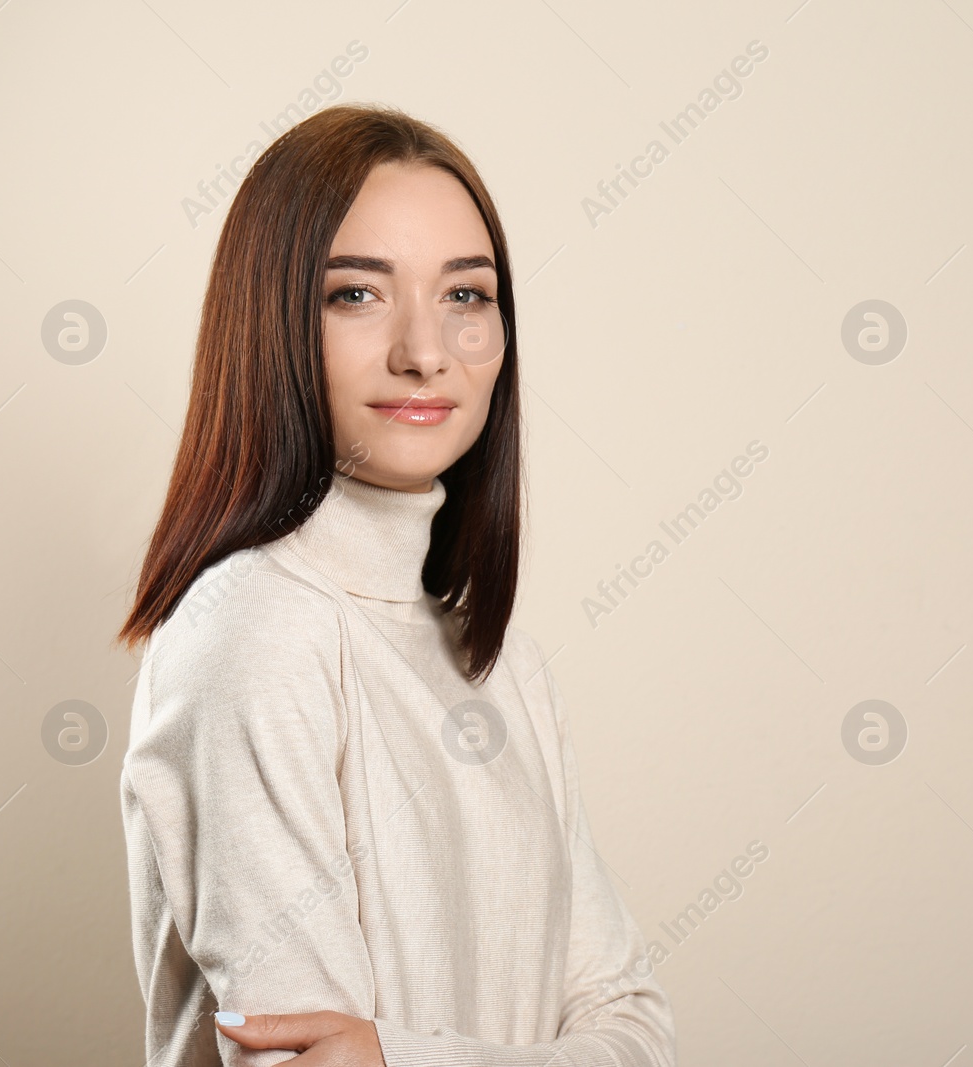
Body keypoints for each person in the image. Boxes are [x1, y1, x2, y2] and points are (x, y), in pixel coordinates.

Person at [116, 103, 675, 1067]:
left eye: (467, 295)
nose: (427, 351)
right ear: (272, 321)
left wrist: (398, 1055)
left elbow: (638, 1025)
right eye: (356, 295)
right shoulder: (254, 630)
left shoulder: (505, 668)